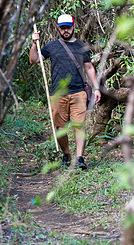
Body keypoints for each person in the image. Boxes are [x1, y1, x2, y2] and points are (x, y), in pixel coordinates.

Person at [29, 14, 101, 169]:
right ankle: (66, 154)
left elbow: (89, 67)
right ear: (58, 28)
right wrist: (34, 43)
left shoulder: (82, 46)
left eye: (68, 27)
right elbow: (34, 60)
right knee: (60, 127)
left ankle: (80, 158)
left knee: (79, 125)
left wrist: (96, 88)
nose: (66, 30)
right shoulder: (51, 46)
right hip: (57, 93)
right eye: (63, 28)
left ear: (73, 26)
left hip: (78, 92)